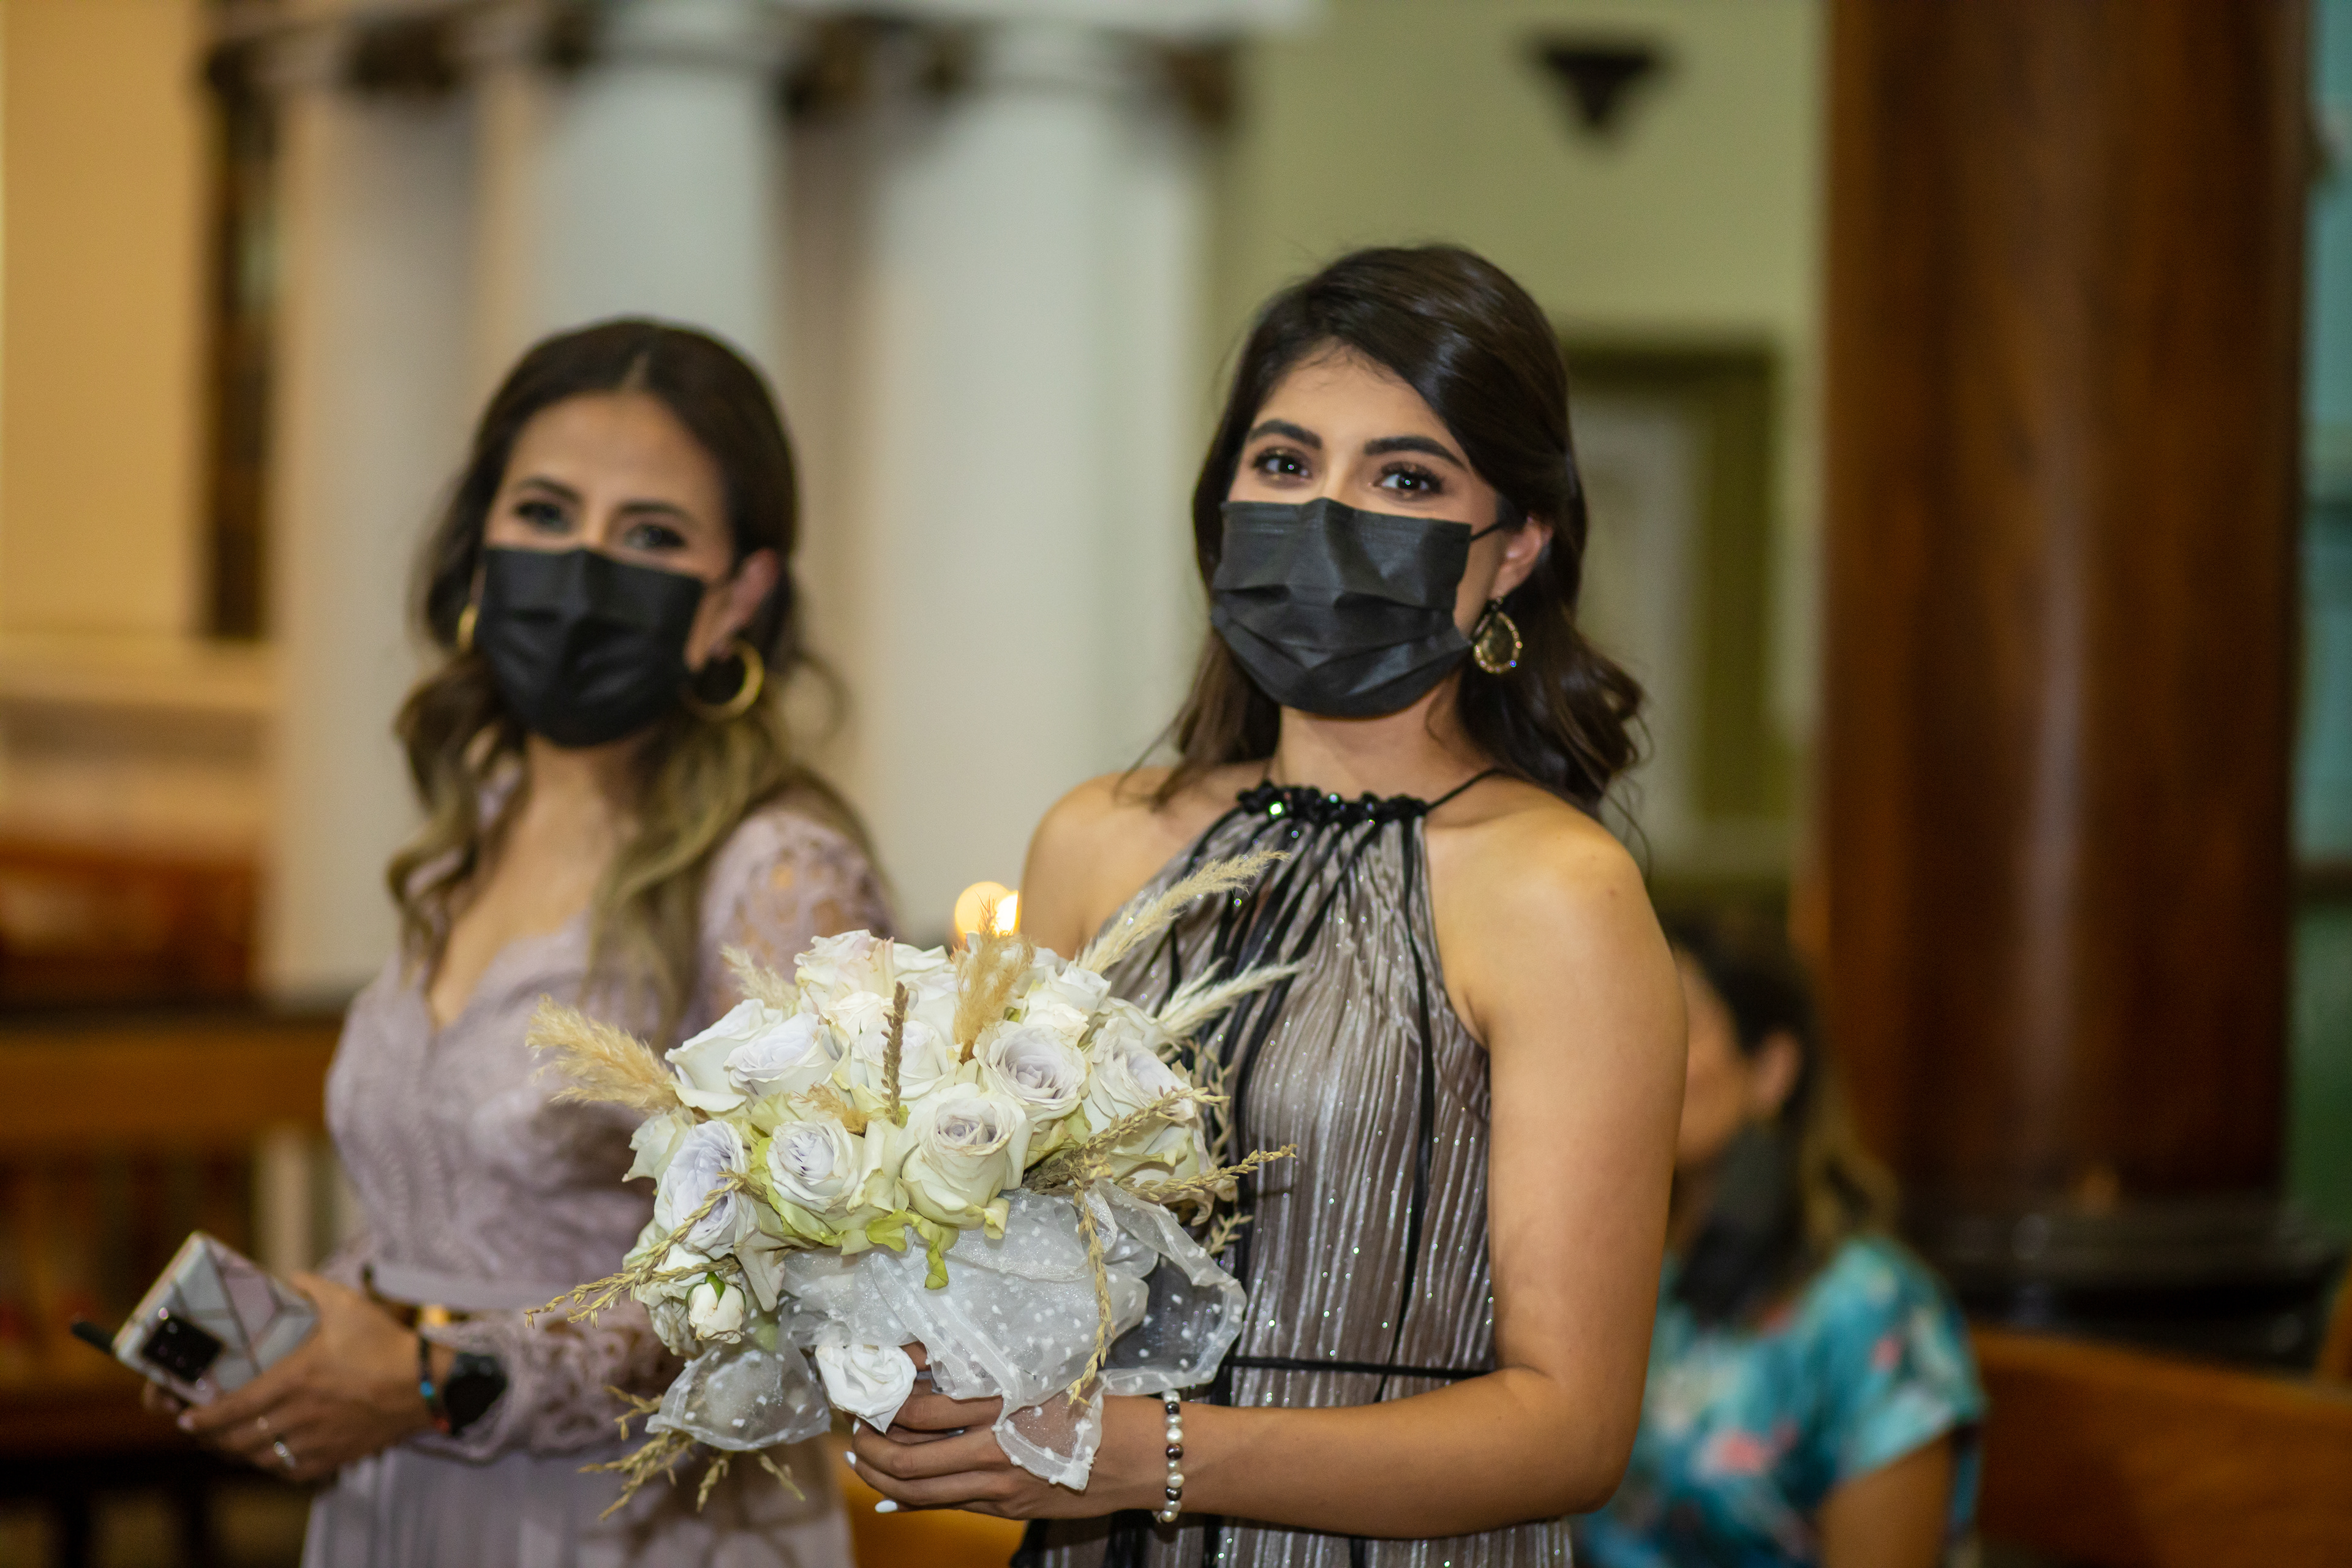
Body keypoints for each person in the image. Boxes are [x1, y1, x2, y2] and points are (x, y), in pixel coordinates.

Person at [847, 246, 1688, 1566]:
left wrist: (1155, 1455)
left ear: (1516, 548)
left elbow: (1570, 1428)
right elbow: (1003, 1243)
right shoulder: (1097, 839)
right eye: (1286, 463)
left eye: (1405, 479)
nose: (1327, 514)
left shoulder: (1555, 891)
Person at [166, 321, 886, 1566]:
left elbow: (795, 1294)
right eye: (546, 513)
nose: (584, 567)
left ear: (735, 600)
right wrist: (323, 1329)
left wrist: (442, 1376)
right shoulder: (476, 829)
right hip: (404, 1491)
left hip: (630, 1520)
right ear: (481, 553)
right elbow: (463, 1207)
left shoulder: (777, 873)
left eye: (650, 535)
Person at [1575, 911, 1986, 1568]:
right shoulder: (1622, 1268)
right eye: (1617, 1023)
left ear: (1769, 1069)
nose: (1627, 1057)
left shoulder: (1870, 1307)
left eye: (1671, 1025)